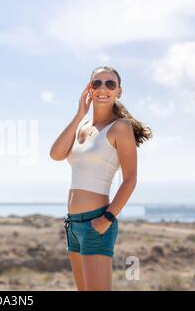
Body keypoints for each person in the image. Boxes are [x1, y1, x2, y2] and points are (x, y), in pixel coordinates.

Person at [49, 66, 152, 290]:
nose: (103, 88)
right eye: (97, 83)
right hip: (73, 225)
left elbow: (130, 179)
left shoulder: (120, 128)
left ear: (119, 92)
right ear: (89, 88)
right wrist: (79, 114)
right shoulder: (82, 126)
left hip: (96, 223)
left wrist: (107, 217)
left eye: (110, 84)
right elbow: (56, 154)